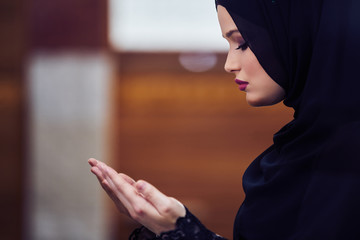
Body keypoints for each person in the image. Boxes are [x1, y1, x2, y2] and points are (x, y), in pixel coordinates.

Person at [89, 0, 360, 239]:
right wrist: (172, 227)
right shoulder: (304, 146)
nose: (229, 64)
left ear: (299, 35)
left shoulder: (344, 154)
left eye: (242, 42)